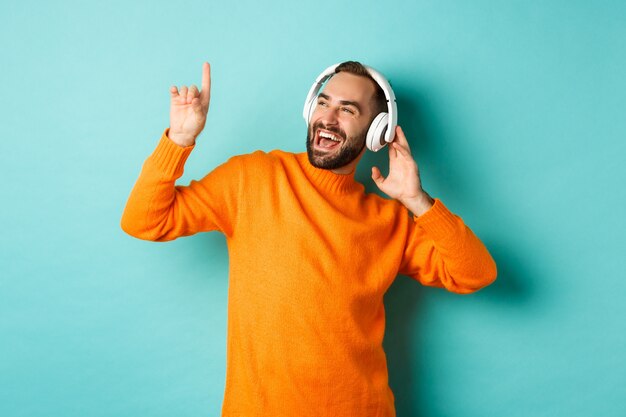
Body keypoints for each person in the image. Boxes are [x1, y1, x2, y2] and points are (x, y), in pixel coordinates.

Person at [121, 60, 497, 417]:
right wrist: (179, 140)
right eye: (323, 102)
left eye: (348, 110)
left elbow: (475, 273)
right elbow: (144, 221)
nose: (328, 118)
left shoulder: (389, 221)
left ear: (378, 130)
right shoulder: (253, 178)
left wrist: (418, 201)